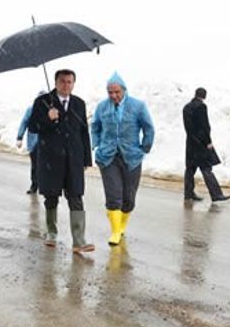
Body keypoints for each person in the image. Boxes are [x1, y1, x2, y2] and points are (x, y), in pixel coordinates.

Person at [28, 70, 95, 253]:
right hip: (51, 157)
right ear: (56, 83)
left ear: (74, 83)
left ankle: (79, 240)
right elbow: (33, 126)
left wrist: (86, 158)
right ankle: (51, 232)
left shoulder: (79, 103)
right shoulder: (43, 102)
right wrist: (48, 118)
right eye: (62, 82)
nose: (66, 85)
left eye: (70, 82)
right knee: (51, 196)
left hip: (73, 158)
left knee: (76, 196)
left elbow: (83, 131)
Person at [91, 72, 155, 246]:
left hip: (131, 157)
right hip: (107, 156)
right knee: (114, 195)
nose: (113, 96)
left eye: (116, 92)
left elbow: (149, 128)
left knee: (129, 198)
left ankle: (121, 224)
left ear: (124, 90)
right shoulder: (102, 107)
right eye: (110, 92)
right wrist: (95, 144)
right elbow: (95, 126)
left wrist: (144, 147)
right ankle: (114, 232)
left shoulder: (138, 106)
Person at [183, 87, 230, 202]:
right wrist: (208, 141)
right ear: (204, 96)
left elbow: (188, 127)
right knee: (206, 169)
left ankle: (188, 193)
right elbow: (204, 126)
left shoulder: (186, 107)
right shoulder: (201, 107)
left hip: (190, 143)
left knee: (190, 169)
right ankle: (216, 194)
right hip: (201, 144)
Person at [17, 90, 47, 194]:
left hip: (47, 143)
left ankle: (44, 185)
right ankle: (34, 185)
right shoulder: (31, 110)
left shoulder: (51, 110)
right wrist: (19, 137)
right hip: (34, 143)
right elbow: (24, 122)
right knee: (35, 165)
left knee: (46, 165)